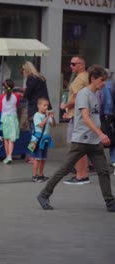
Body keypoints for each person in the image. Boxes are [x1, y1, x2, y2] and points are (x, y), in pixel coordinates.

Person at [37, 65, 115, 212]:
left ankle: (110, 202)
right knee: (65, 168)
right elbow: (85, 118)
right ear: (93, 79)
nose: (104, 83)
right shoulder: (84, 94)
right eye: (102, 80)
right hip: (82, 140)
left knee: (103, 171)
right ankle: (43, 194)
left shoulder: (95, 95)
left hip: (94, 141)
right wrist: (101, 134)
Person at [60, 55, 90, 185]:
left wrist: (65, 106)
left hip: (77, 116)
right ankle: (83, 174)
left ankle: (80, 175)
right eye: (71, 64)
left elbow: (77, 96)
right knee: (82, 148)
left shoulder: (80, 79)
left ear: (81, 65)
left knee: (77, 147)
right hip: (82, 115)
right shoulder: (87, 77)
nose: (71, 66)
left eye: (74, 64)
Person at [21, 61, 51, 164]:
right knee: (40, 133)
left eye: (23, 70)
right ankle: (37, 154)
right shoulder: (40, 78)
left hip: (35, 108)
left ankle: (32, 156)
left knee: (34, 134)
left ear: (26, 70)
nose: (23, 72)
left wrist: (23, 93)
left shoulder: (30, 79)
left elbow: (27, 94)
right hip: (44, 108)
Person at [31, 98, 55, 182]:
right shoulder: (37, 115)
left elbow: (53, 125)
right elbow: (40, 125)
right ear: (39, 106)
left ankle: (41, 175)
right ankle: (34, 175)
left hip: (45, 139)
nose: (46, 107)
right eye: (44, 105)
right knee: (37, 158)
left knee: (43, 159)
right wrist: (47, 117)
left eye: (47, 105)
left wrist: (52, 117)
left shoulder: (47, 116)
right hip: (38, 139)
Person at [0, 79, 20, 164]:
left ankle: (7, 156)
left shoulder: (2, 97)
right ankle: (10, 155)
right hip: (13, 118)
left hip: (5, 119)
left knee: (6, 138)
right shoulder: (16, 96)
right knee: (11, 139)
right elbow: (17, 105)